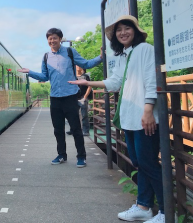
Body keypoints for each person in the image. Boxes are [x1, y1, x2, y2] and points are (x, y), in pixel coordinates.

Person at [70, 15, 163, 223]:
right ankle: (144, 206)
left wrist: (148, 110)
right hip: (130, 118)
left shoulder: (145, 50)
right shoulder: (124, 56)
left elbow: (151, 79)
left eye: (127, 28)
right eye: (119, 30)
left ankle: (166, 212)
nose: (123, 32)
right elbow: (114, 82)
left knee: (148, 163)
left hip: (144, 116)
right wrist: (87, 83)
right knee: (140, 162)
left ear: (136, 30)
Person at [17, 27, 103, 167]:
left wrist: (100, 58)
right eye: (49, 39)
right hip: (55, 98)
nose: (52, 41)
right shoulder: (46, 57)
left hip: (70, 97)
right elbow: (44, 77)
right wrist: (30, 72)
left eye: (55, 38)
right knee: (58, 129)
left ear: (60, 39)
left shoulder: (70, 52)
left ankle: (81, 156)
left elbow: (86, 64)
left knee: (76, 128)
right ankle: (61, 155)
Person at [67, 65, 92, 136]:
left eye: (78, 66)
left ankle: (85, 131)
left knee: (84, 115)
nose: (77, 67)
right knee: (73, 115)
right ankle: (73, 130)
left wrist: (85, 97)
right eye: (76, 66)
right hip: (74, 97)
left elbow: (89, 86)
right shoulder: (73, 76)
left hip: (83, 97)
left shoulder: (85, 76)